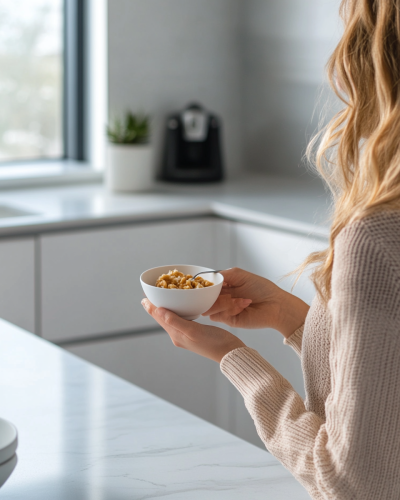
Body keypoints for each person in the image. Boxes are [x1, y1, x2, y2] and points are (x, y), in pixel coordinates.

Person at [142, 0, 400, 497]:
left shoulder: (375, 235)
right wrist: (293, 318)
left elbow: (352, 482)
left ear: (370, 56)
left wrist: (233, 357)